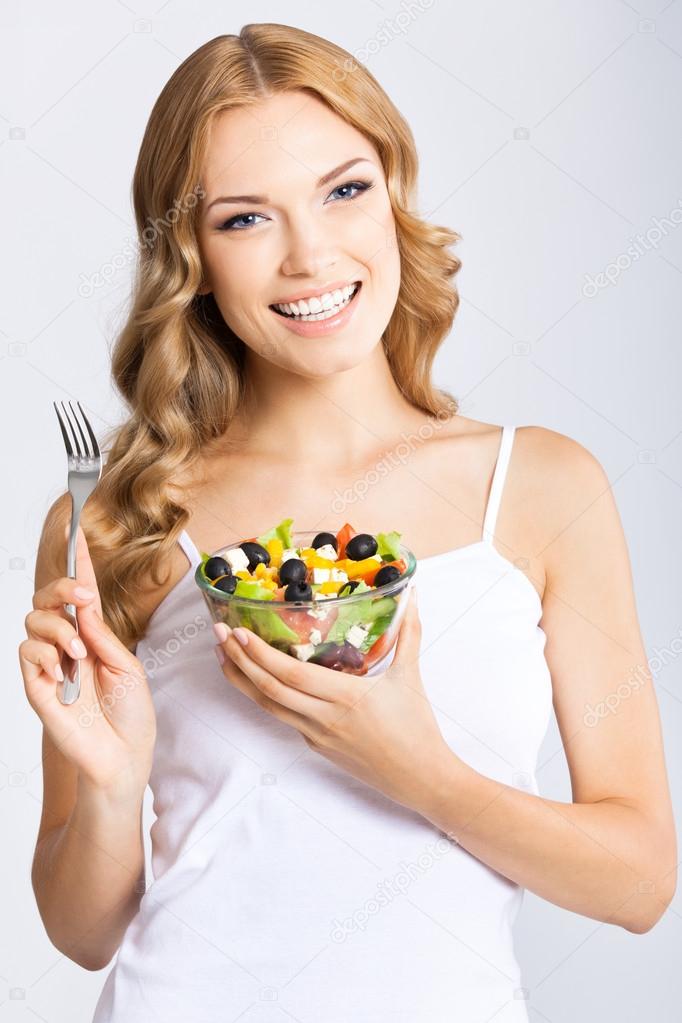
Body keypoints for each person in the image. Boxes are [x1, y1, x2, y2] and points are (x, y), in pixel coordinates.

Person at [20, 23, 676, 1023]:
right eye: (245, 219)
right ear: (188, 255)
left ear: (393, 189)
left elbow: (638, 884)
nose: (310, 253)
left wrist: (420, 771)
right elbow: (82, 933)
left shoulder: (541, 486)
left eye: (343, 189)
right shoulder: (117, 522)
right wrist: (111, 783)